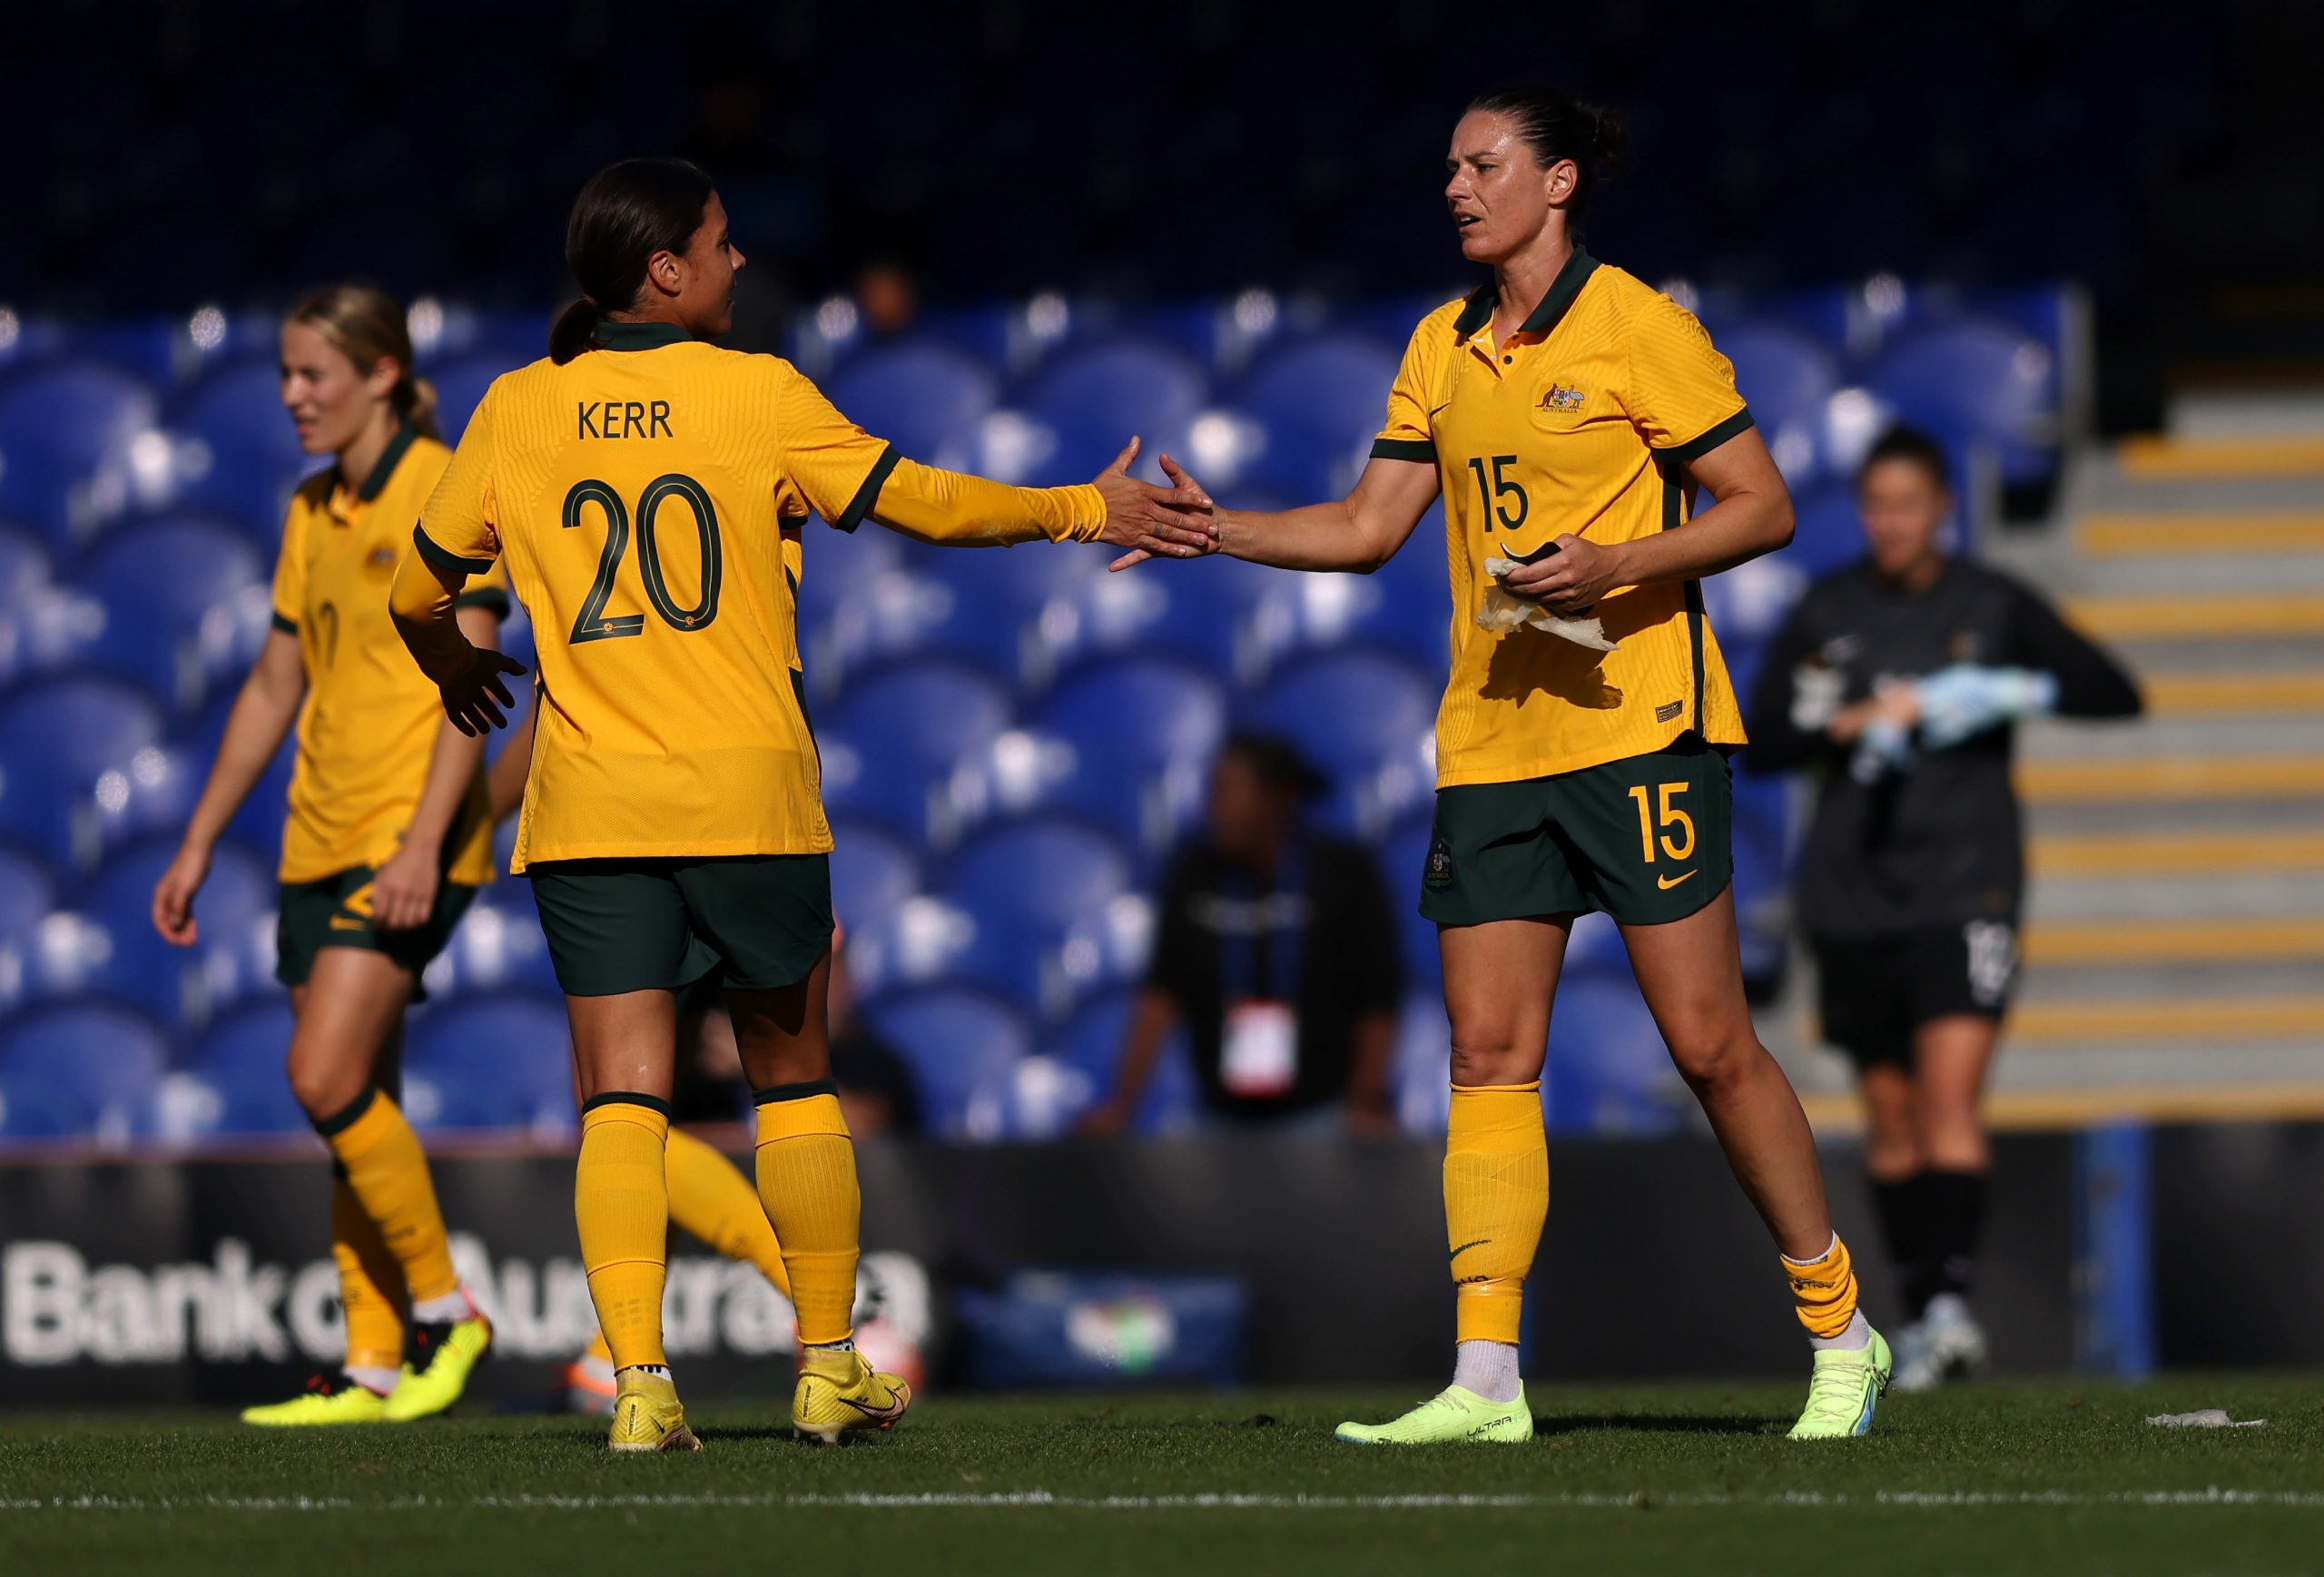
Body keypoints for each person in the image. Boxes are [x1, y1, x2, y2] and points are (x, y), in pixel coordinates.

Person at [389, 156, 1208, 1452]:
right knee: (793, 1082)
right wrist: (1081, 506)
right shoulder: (758, 395)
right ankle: (827, 1367)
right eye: (719, 242)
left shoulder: (514, 410)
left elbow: (415, 595)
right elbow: (922, 504)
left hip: (593, 807)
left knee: (620, 1100)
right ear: (665, 269)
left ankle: (642, 1392)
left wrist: (460, 673)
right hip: (750, 795)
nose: (739, 260)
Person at [1144, 84, 1889, 1444]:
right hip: (1493, 739)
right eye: (1448, 167)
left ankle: (1842, 1328)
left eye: (1482, 164)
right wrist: (1217, 531)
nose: (1455, 186)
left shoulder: (1640, 327)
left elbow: (1764, 506)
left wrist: (1622, 562)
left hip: (1639, 728)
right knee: (1487, 1055)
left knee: (1712, 1047)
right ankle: (1487, 1380)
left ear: (1556, 185)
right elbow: (1372, 526)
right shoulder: (1439, 343)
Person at [151, 285, 501, 1426]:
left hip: (406, 843)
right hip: (314, 840)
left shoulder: (447, 492)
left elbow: (476, 684)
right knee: (358, 1096)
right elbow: (272, 683)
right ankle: (371, 1365)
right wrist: (200, 839)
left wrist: (418, 844)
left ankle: (448, 1311)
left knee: (321, 1075)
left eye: (315, 374)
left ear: (383, 374)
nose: (294, 395)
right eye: (287, 375)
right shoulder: (314, 509)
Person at [1744, 424, 2140, 1390]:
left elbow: (2112, 690)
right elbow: (1760, 742)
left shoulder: (1988, 603)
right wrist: (1840, 725)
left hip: (1967, 885)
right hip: (1850, 892)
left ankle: (1954, 1309)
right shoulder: (1827, 611)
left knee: (1949, 1094)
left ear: (1941, 510)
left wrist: (2003, 689)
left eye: (1905, 505)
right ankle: (1920, 1315)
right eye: (1874, 506)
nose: (1888, 523)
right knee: (1889, 1115)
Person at [1082, 734, 1402, 1134]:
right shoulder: (1195, 872)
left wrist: (1367, 1098)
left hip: (1322, 1117)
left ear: (1277, 799)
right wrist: (1121, 1105)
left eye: (1226, 789)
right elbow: (1161, 994)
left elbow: (1377, 996)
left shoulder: (1343, 873)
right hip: (1218, 1120)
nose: (1213, 806)